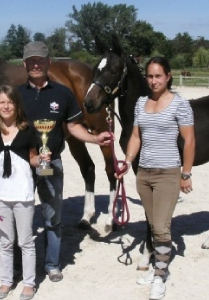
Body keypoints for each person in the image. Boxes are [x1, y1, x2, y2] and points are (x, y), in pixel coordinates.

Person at [18, 41, 112, 282]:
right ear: (25, 64)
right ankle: (22, 264)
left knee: (52, 216)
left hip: (50, 163)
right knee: (22, 217)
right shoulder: (16, 94)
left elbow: (73, 126)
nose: (36, 65)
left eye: (40, 60)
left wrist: (94, 138)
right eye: (31, 61)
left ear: (49, 62)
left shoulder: (63, 94)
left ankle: (52, 264)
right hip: (23, 166)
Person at [116, 56, 195, 300]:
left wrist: (186, 173)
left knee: (161, 227)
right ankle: (156, 269)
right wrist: (127, 161)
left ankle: (160, 276)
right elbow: (136, 136)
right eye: (150, 76)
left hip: (168, 173)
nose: (153, 81)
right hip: (145, 174)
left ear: (168, 76)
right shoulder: (141, 103)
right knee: (151, 224)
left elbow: (189, 140)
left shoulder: (179, 104)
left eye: (158, 76)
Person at [0, 85, 49, 300]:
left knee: (26, 241)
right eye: (2, 102)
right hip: (2, 195)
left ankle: (29, 283)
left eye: (10, 102)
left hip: (23, 193)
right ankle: (6, 281)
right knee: (6, 241)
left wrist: (41, 160)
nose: (6, 106)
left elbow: (31, 158)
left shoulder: (28, 130)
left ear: (17, 105)